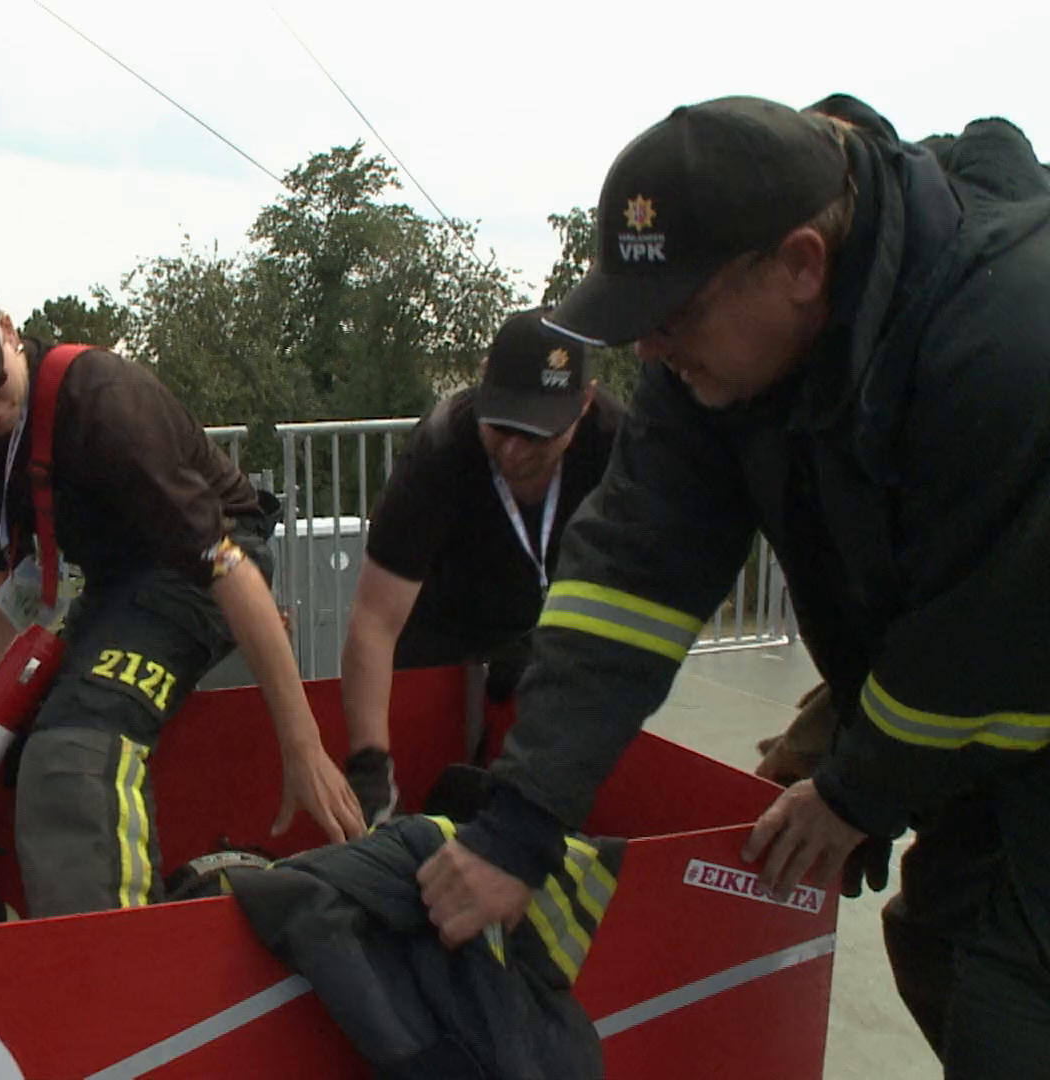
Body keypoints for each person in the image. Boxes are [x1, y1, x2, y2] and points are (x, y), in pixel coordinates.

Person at [412, 95, 1050, 1076]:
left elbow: (993, 633)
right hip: (981, 685)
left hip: (1017, 666)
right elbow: (628, 574)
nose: (650, 349)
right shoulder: (720, 364)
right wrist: (523, 818)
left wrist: (856, 790)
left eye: (674, 314)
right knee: (941, 940)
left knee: (1011, 1006)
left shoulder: (1008, 344)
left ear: (802, 264)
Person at [0, 262, 365, 917]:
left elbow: (227, 567)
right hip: (119, 585)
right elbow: (0, 561)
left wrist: (303, 748)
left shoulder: (104, 403)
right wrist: (6, 685)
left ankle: (115, 948)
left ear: (8, 331)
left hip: (207, 569)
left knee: (72, 753)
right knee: (19, 748)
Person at [339, 308, 624, 824]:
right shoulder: (441, 447)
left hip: (544, 626)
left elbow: (635, 586)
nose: (513, 451)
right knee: (420, 780)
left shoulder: (615, 443)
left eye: (537, 434)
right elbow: (375, 620)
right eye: (501, 425)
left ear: (584, 402)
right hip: (437, 624)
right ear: (484, 376)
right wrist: (368, 763)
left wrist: (562, 644)